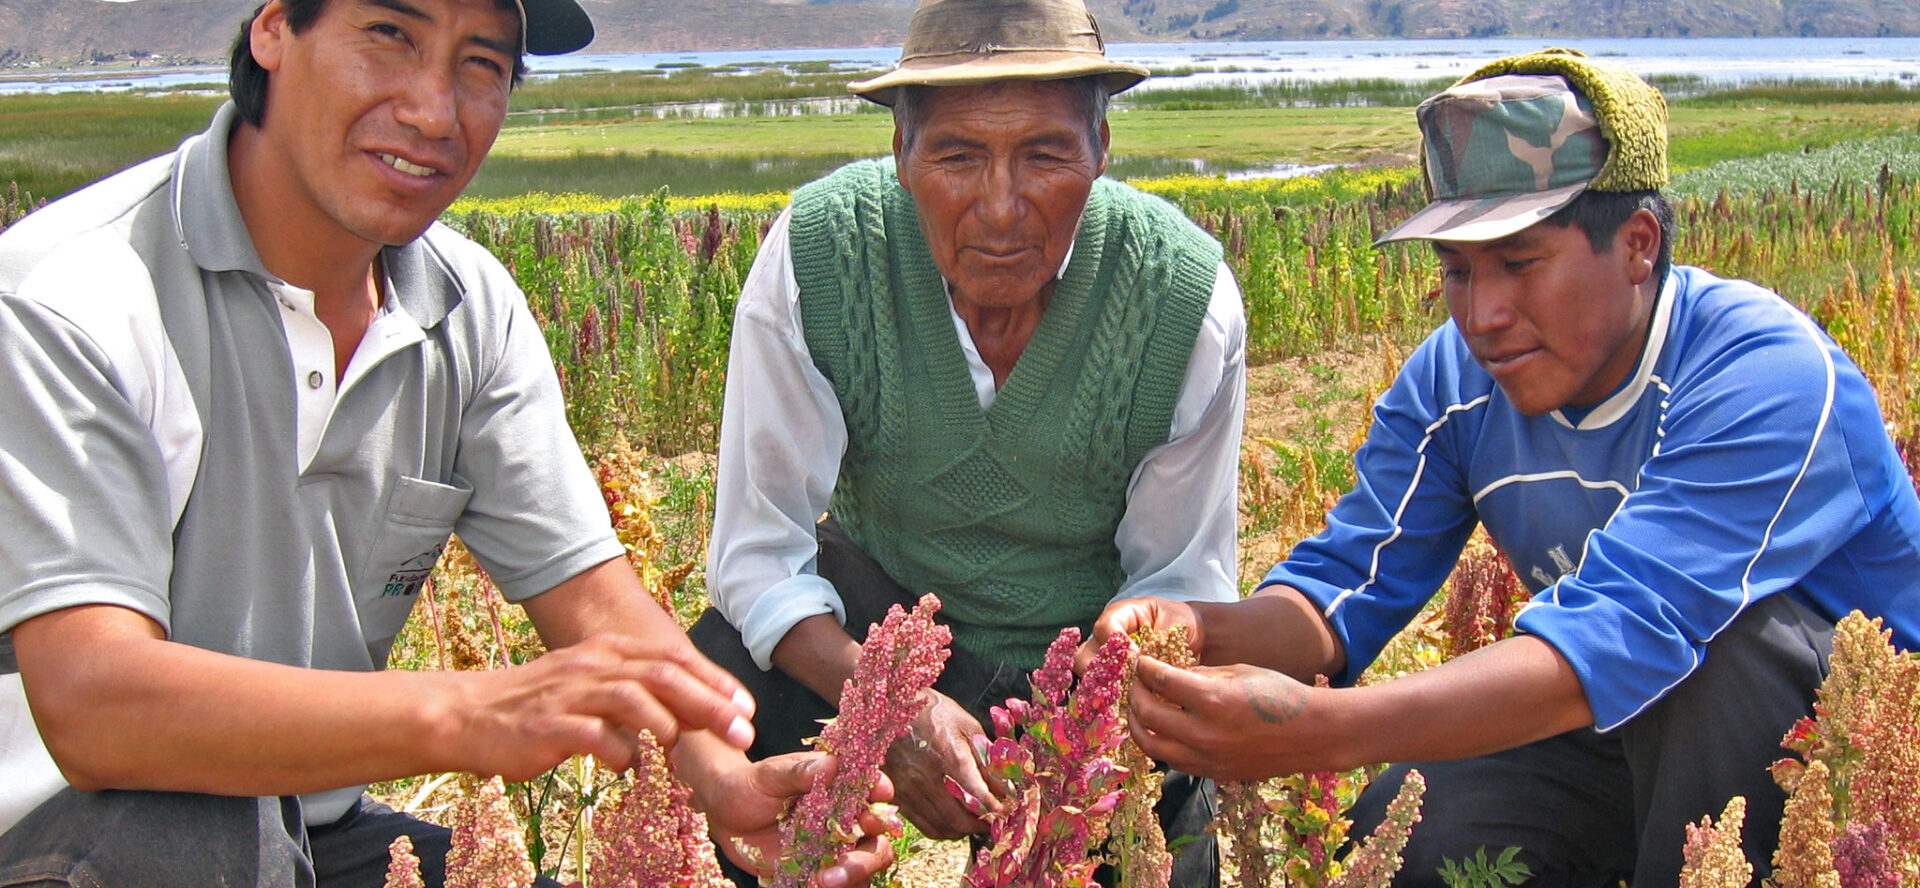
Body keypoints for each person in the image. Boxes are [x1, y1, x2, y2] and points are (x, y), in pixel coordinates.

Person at [0, 0, 893, 885]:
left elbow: (593, 606)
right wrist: (467, 711)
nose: (435, 111)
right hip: (70, 836)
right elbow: (95, 708)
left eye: (481, 65)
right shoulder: (76, 295)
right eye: (390, 35)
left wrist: (720, 776)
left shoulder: (467, 307)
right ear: (273, 28)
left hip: (315, 828)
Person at [1091, 49, 1920, 885]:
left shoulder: (1762, 372)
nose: (1482, 315)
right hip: (1625, 729)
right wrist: (1196, 631)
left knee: (1727, 647)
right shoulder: (1457, 382)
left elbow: (1628, 630)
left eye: (1520, 263)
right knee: (1408, 829)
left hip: (1846, 747)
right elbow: (1349, 588)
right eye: (1457, 271)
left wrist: (1322, 728)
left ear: (1638, 244)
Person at [686, 0, 1246, 883]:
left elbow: (1181, 580)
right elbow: (759, 557)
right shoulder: (822, 256)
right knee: (725, 665)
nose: (1000, 208)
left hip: (1080, 663)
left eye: (1045, 155)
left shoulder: (1182, 298)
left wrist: (1086, 715)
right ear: (902, 157)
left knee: (1151, 847)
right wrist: (888, 703)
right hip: (889, 621)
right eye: (956, 155)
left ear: (1102, 146)